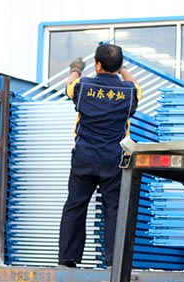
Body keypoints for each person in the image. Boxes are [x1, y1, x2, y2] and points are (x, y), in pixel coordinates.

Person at [58, 43, 142, 268]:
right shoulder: (129, 92)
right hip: (113, 159)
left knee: (76, 204)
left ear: (97, 65)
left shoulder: (83, 86)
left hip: (84, 156)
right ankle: (114, 260)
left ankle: (68, 258)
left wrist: (76, 68)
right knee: (113, 208)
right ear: (118, 66)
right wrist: (123, 70)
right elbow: (136, 86)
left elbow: (69, 86)